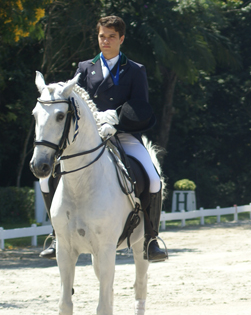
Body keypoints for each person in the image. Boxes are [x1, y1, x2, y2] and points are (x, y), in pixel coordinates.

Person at [39, 16, 167, 262]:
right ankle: (57, 235)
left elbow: (140, 106)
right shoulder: (85, 67)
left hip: (124, 134)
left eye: (110, 36)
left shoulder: (135, 70)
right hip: (89, 136)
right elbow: (74, 102)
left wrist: (116, 119)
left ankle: (151, 237)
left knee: (153, 179)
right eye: (101, 36)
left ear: (121, 38)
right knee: (47, 182)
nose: (105, 41)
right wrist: (95, 121)